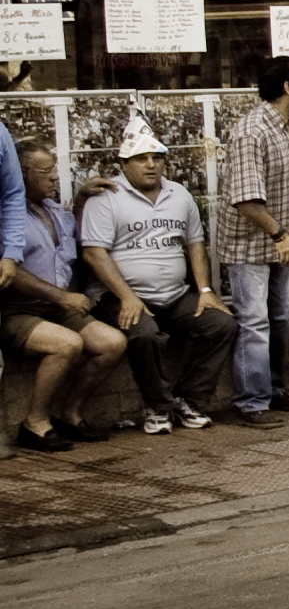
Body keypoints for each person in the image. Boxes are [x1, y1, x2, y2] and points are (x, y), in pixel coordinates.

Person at [77, 117, 237, 432]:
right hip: (119, 295)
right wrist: (127, 297)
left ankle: (188, 400)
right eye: (141, 159)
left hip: (174, 294)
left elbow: (195, 244)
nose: (151, 165)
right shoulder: (106, 196)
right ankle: (158, 406)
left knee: (222, 324)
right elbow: (93, 253)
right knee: (144, 334)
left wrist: (205, 290)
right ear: (124, 163)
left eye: (157, 158)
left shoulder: (179, 194)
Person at [7, 139, 127, 449]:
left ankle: (68, 413)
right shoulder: (8, 215)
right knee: (66, 344)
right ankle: (34, 423)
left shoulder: (50, 208)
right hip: (16, 310)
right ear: (20, 174)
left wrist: (81, 201)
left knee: (111, 343)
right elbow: (11, 271)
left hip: (54, 308)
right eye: (45, 171)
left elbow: (69, 240)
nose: (54, 176)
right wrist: (61, 297)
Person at [212, 54, 289, 426]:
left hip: (279, 243)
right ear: (288, 88)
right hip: (251, 245)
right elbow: (246, 199)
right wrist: (281, 235)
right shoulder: (252, 130)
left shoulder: (287, 128)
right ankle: (252, 402)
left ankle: (273, 389)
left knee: (280, 315)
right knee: (255, 320)